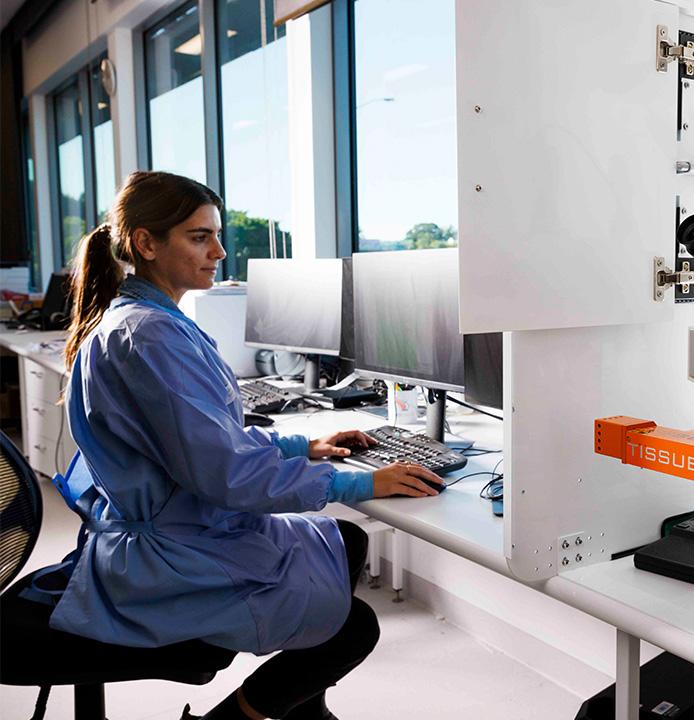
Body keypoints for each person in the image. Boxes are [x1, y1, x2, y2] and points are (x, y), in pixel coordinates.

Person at [53, 170, 444, 720]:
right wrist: (360, 480)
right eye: (199, 237)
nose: (219, 250)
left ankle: (301, 710)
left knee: (347, 541)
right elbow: (226, 475)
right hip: (173, 555)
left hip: (184, 525)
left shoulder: (151, 321)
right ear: (145, 243)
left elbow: (212, 440)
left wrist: (300, 448)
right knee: (355, 627)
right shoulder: (150, 336)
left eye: (215, 234)